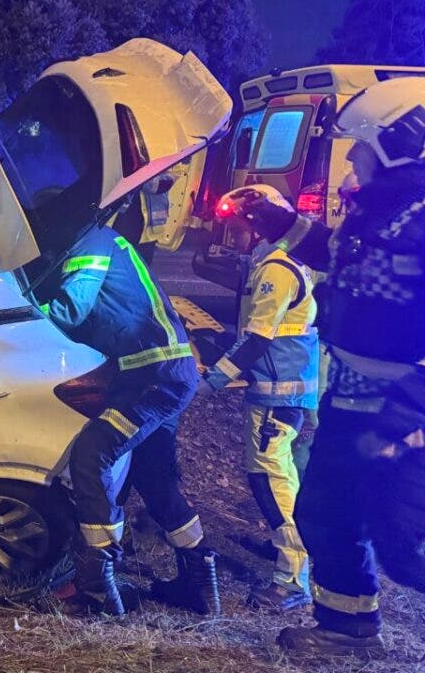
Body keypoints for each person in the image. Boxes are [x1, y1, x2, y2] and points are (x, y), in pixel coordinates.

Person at [218, 76, 425, 658]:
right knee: (325, 512)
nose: (353, 156)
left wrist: (406, 414)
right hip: (352, 403)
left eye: (363, 145)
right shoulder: (386, 212)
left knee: (405, 542)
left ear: (401, 141)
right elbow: (339, 253)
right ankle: (348, 629)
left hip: (401, 413)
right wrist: (280, 222)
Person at [40, 223, 219, 616]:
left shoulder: (88, 240)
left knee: (91, 454)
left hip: (150, 377)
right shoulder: (107, 238)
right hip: (165, 374)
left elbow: (71, 309)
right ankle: (200, 582)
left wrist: (24, 313)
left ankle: (97, 590)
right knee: (154, 476)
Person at [198, 184, 320, 611]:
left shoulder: (276, 270)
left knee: (272, 482)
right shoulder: (279, 264)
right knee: (277, 480)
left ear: (259, 226)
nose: (234, 235)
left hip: (276, 397)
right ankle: (290, 556)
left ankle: (291, 581)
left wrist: (209, 383)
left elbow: (255, 342)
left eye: (238, 227)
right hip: (282, 393)